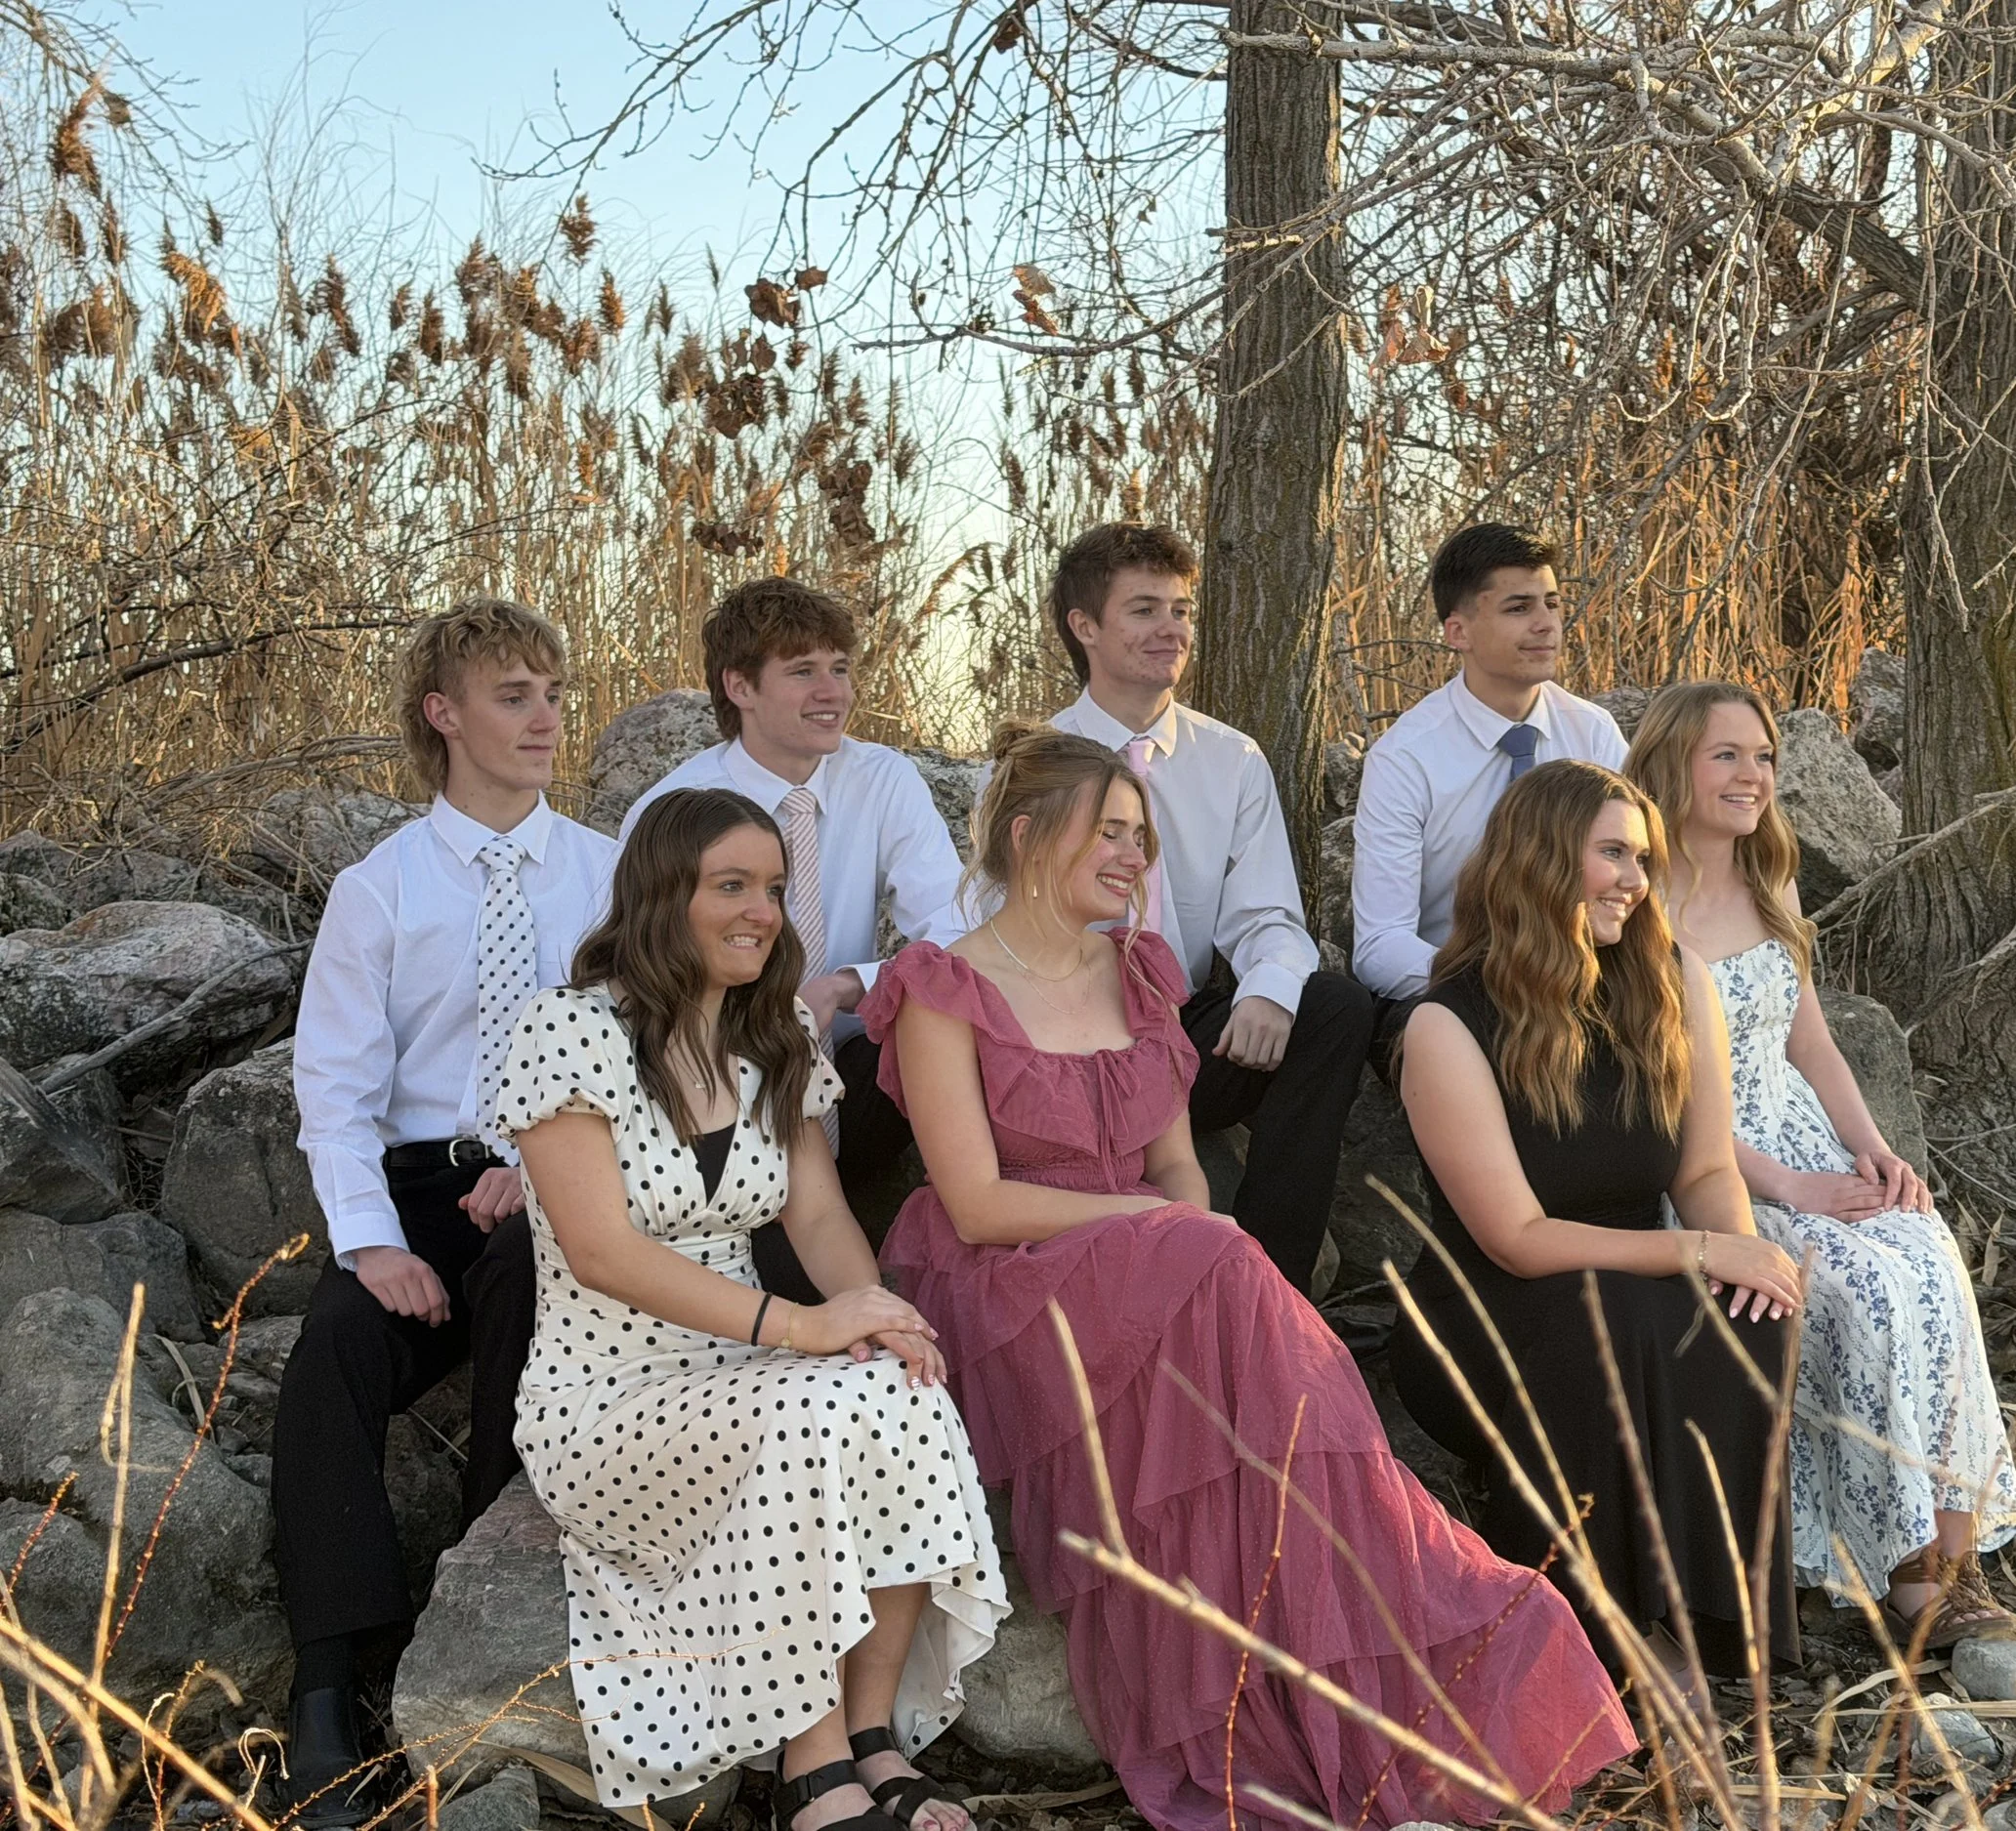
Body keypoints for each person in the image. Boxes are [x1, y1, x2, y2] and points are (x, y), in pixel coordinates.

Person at [863, 726, 1634, 1831]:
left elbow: (1180, 1167)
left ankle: (1391, 1703)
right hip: (1005, 1284)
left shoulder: (1140, 976)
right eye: (1111, 833)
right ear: (1029, 836)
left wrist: (1172, 1239)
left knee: (1250, 1365)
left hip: (1152, 1272)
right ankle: (1296, 1733)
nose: (1136, 856)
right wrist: (1159, 1231)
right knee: (1216, 1259)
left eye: (1141, 835)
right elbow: (976, 1203)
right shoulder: (941, 988)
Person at [496, 788, 1006, 1823]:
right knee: (811, 1408)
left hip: (738, 1369)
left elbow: (816, 1218)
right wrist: (803, 1329)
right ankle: (805, 1770)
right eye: (730, 886)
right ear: (660, 896)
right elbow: (601, 1252)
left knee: (899, 1393)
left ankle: (871, 1738)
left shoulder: (768, 1035)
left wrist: (872, 1314)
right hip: (606, 1397)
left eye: (772, 889)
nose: (760, 911)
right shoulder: (569, 1030)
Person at [276, 599, 619, 1824]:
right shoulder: (383, 888)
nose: (543, 717)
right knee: (331, 1352)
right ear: (445, 714)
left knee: (533, 1268)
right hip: (419, 1184)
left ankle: (472, 1614)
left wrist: (553, 1155)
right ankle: (329, 1686)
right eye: (513, 695)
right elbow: (334, 1088)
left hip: (567, 1173)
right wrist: (369, 1244)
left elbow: (643, 1039)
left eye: (550, 693)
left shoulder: (605, 870)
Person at [1387, 760, 1802, 1696]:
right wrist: (1694, 1250)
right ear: (1540, 859)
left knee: (1750, 1315)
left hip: (1629, 1273)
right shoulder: (1446, 1023)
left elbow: (1700, 1169)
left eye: (1644, 859)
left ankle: (1709, 1610)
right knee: (1603, 1322)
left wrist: (1735, 1250)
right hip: (1489, 1309)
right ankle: (1599, 1630)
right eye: (1612, 853)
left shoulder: (1671, 979)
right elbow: (1516, 1236)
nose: (1636, 879)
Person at [1627, 681, 2016, 1645]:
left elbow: (1810, 1044)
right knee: (1856, 1293)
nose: (1752, 775)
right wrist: (1788, 1186)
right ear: (1673, 762)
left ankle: (1955, 1559)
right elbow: (1662, 1091)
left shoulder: (1771, 881)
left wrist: (1874, 1150)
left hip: (1807, 1138)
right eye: (1727, 755)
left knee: (1931, 1264)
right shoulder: (1636, 899)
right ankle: (1892, 1572)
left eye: (1763, 757)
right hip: (1716, 1166)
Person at [1042, 522, 1372, 1290]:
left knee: (1333, 1007)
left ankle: (1268, 1288)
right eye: (1145, 609)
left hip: (1185, 1034)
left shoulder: (1232, 757)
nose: (1171, 629)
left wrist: (1266, 992)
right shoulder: (1036, 761)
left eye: (1182, 611)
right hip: (1069, 1043)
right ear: (1084, 626)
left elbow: (1268, 918)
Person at [622, 577, 968, 1294]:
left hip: (849, 1065)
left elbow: (955, 934)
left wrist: (851, 985)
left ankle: (968, 1231)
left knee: (941, 1018)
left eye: (840, 668)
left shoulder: (882, 779)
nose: (832, 691)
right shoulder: (674, 808)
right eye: (803, 671)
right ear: (740, 686)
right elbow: (639, 981)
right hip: (724, 1073)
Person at [1351, 525, 1628, 1045]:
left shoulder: (1593, 735)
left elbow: (1641, 875)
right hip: (1462, 996)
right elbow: (1380, 945)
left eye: (1552, 603)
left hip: (1589, 985)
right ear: (1459, 632)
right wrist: (1501, 983)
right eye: (1519, 608)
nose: (1546, 624)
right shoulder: (1405, 758)